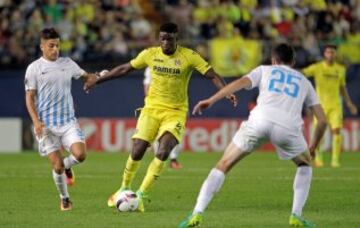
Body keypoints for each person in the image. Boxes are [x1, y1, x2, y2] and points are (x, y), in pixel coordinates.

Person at [84, 22, 237, 212]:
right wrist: (98, 81)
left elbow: (211, 74)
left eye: (169, 39)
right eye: (162, 38)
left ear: (176, 39)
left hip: (176, 112)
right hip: (151, 109)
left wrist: (226, 91)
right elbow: (125, 69)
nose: (165, 42)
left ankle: (141, 195)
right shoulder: (150, 54)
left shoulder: (189, 56)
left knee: (164, 150)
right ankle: (124, 186)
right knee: (138, 149)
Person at [178, 44, 327, 227]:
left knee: (223, 165)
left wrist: (211, 100)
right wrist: (313, 146)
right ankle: (296, 215)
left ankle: (197, 213)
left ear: (273, 60)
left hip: (259, 121)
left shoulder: (264, 70)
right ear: (293, 62)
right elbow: (322, 121)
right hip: (288, 128)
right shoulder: (304, 81)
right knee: (305, 164)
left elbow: (238, 84)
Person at [24, 28, 96, 211]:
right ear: (42, 46)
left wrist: (92, 79)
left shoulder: (67, 63)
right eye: (51, 46)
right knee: (57, 167)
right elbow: (29, 98)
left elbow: (85, 76)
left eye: (57, 45)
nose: (55, 49)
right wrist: (36, 121)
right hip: (46, 125)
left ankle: (67, 166)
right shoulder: (34, 68)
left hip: (68, 122)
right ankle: (65, 198)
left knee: (80, 155)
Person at [303, 44, 358, 168]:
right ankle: (319, 159)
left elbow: (342, 88)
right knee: (319, 133)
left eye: (332, 52)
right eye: (328, 52)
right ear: (324, 54)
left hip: (335, 106)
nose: (330, 54)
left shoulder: (341, 69)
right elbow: (303, 72)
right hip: (320, 106)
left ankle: (335, 160)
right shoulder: (317, 67)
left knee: (336, 131)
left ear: (335, 54)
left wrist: (349, 103)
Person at [143, 67, 183, 169]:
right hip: (157, 108)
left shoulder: (175, 66)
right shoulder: (151, 67)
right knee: (159, 135)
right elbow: (147, 87)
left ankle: (173, 159)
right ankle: (160, 161)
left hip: (174, 108)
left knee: (176, 132)